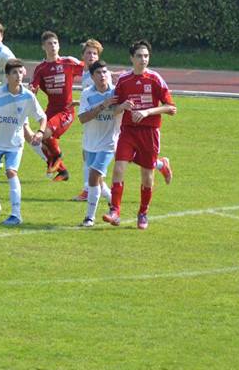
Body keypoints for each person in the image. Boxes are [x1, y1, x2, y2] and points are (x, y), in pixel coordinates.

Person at [72, 39, 171, 202]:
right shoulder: (85, 76)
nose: (91, 56)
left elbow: (114, 97)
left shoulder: (105, 75)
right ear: (82, 56)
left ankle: (96, 192)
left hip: (113, 126)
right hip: (96, 126)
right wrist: (80, 103)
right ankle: (159, 165)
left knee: (115, 160)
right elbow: (91, 98)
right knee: (111, 158)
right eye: (88, 53)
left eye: (94, 53)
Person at [103, 40, 178, 230]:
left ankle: (143, 212)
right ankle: (115, 211)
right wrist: (122, 106)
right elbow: (114, 108)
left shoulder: (155, 79)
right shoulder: (124, 80)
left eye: (146, 56)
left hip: (149, 133)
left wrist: (147, 112)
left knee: (146, 175)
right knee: (119, 167)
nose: (143, 59)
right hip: (128, 131)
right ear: (131, 58)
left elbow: (172, 108)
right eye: (139, 56)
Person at [0, 59, 46, 226]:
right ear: (7, 76)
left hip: (15, 143)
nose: (19, 76)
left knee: (11, 172)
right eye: (14, 73)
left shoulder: (28, 96)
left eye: (21, 72)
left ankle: (16, 214)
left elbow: (42, 117)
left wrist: (40, 131)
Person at [77, 60, 128, 227]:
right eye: (98, 73)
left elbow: (123, 108)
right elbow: (83, 118)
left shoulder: (116, 92)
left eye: (105, 72)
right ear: (92, 77)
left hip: (109, 143)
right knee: (98, 181)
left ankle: (89, 218)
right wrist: (102, 105)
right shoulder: (87, 94)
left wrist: (121, 106)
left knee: (92, 178)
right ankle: (114, 206)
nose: (102, 76)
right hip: (90, 143)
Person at [30, 31, 85, 183]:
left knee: (44, 134)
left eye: (55, 43)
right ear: (43, 47)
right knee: (42, 142)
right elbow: (33, 88)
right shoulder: (41, 68)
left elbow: (89, 71)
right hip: (51, 110)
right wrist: (31, 91)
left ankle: (57, 157)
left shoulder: (68, 62)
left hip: (66, 111)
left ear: (59, 45)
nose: (52, 46)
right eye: (49, 43)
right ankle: (63, 171)